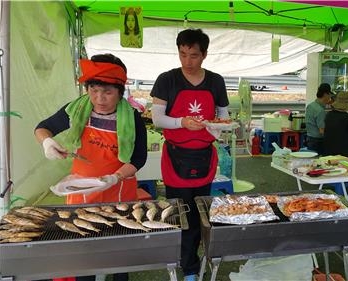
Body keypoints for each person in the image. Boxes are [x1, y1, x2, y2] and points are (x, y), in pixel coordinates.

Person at [34, 53, 147, 281]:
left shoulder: (132, 118)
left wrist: (115, 177)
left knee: (118, 251)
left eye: (107, 92)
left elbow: (138, 158)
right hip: (81, 192)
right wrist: (47, 143)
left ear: (120, 91)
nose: (99, 98)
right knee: (83, 252)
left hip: (118, 191)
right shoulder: (76, 110)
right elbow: (42, 127)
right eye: (94, 90)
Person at [150, 28, 229, 281]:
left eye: (193, 56)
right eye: (182, 55)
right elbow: (157, 119)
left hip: (204, 156)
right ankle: (187, 266)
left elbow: (223, 118)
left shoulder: (216, 81)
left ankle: (198, 259)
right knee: (180, 213)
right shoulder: (167, 79)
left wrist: (217, 129)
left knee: (201, 212)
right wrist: (182, 122)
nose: (187, 62)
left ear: (204, 55)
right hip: (175, 157)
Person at [304, 83, 332, 155]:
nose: (330, 97)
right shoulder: (320, 110)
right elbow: (322, 131)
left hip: (309, 138)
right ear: (325, 94)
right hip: (318, 141)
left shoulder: (310, 106)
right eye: (329, 94)